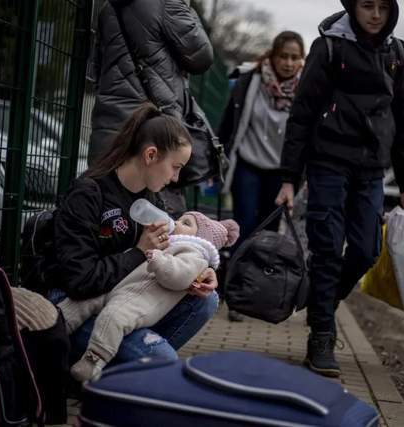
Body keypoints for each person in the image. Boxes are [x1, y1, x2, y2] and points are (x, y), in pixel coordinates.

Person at [276, 0, 404, 377]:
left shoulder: (398, 54)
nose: (374, 14)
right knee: (326, 248)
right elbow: (302, 114)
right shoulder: (328, 46)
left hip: (372, 171)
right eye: (366, 5)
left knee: (366, 250)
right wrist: (289, 178)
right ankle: (321, 335)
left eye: (382, 7)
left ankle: (322, 300)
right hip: (327, 164)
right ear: (353, 7)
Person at [51, 103, 220, 366]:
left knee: (206, 300)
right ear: (151, 155)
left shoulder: (151, 199)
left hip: (121, 302)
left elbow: (166, 257)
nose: (176, 178)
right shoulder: (88, 194)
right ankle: (111, 361)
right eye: (175, 167)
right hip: (77, 305)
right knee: (160, 358)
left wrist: (195, 272)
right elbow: (79, 280)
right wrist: (139, 252)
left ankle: (115, 361)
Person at [59, 212, 239, 381]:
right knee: (82, 302)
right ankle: (54, 325)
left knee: (113, 317)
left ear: (200, 238)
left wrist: (159, 260)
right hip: (117, 287)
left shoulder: (194, 255)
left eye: (186, 223)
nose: (175, 222)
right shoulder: (170, 243)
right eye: (179, 219)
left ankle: (92, 362)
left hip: (134, 302)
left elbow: (179, 276)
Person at [88, 0, 214, 217]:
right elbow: (201, 57)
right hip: (155, 125)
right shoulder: (167, 4)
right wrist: (187, 7)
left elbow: (96, 70)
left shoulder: (109, 8)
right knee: (159, 217)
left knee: (108, 210)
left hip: (110, 122)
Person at [218, 31, 305, 322]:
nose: (289, 63)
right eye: (283, 56)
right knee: (244, 225)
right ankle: (236, 294)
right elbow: (229, 122)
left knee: (269, 233)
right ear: (272, 56)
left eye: (295, 57)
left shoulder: (306, 90)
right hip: (248, 164)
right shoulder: (250, 80)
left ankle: (260, 291)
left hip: (281, 173)